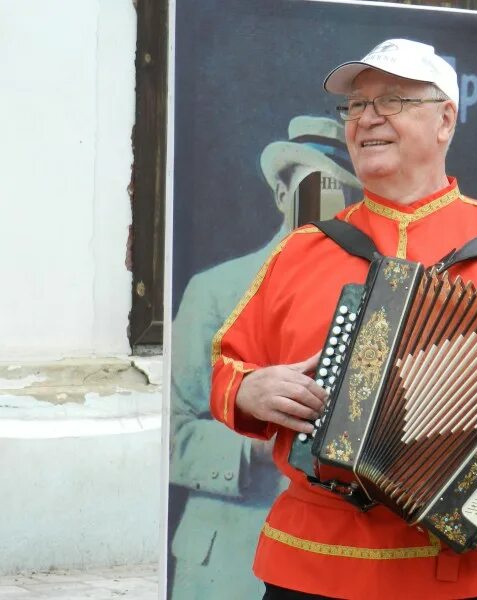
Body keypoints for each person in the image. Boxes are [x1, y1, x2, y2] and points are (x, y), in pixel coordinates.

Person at [210, 38, 477, 600]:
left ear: (445, 120)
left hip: (461, 570)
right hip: (316, 561)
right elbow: (227, 365)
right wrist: (247, 391)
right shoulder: (302, 250)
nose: (367, 119)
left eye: (391, 100)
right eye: (356, 106)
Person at [169, 116, 361, 599]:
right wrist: (262, 437)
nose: (328, 204)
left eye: (343, 191)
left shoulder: (378, 299)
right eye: (314, 187)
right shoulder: (214, 291)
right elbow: (168, 435)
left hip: (338, 558)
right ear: (281, 193)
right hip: (230, 563)